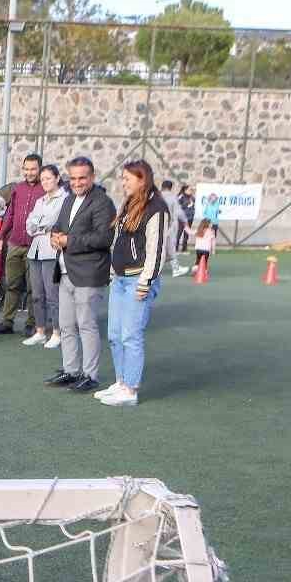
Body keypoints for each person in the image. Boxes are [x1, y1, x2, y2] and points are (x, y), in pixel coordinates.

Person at [100, 160, 170, 408]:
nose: (123, 182)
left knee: (131, 335)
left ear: (142, 179)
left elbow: (157, 248)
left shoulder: (157, 208)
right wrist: (112, 270)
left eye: (127, 178)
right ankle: (121, 382)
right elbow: (119, 239)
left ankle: (131, 389)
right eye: (123, 178)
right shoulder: (129, 203)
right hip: (119, 278)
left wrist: (146, 282)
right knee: (114, 335)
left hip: (137, 280)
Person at [46, 157, 116, 393]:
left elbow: (104, 238)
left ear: (92, 177)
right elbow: (59, 225)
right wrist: (55, 236)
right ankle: (71, 370)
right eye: (73, 178)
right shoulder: (68, 200)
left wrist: (69, 241)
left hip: (89, 273)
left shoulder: (103, 203)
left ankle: (90, 375)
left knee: (86, 325)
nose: (76, 182)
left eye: (82, 177)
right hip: (66, 271)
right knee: (66, 325)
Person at [0, 154, 45, 336]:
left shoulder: (46, 189)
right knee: (11, 284)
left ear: (40, 169)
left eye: (33, 169)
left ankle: (32, 323)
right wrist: (1, 236)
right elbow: (10, 214)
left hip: (35, 245)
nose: (29, 172)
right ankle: (7, 321)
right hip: (15, 243)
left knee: (33, 287)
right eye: (26, 169)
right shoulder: (18, 189)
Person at [23, 164, 67, 350]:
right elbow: (29, 224)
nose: (45, 182)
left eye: (48, 178)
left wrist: (38, 224)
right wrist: (40, 224)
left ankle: (57, 332)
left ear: (57, 178)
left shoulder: (64, 199)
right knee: (37, 295)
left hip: (52, 251)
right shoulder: (40, 200)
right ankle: (40, 331)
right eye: (42, 180)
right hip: (36, 251)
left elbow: (54, 221)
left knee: (52, 295)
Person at [176, 184, 196, 252]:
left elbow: (193, 206)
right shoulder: (181, 196)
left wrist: (192, 211)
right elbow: (177, 206)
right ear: (185, 190)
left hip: (190, 218)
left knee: (187, 234)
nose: (191, 191)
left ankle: (184, 248)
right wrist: (186, 204)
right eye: (189, 190)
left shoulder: (192, 197)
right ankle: (176, 248)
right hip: (182, 218)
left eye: (191, 190)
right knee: (179, 233)